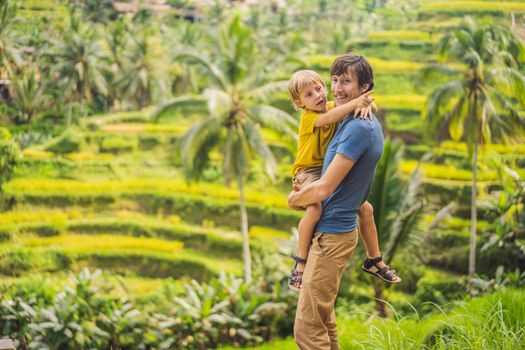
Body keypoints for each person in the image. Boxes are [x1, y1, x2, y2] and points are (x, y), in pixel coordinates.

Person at [288, 54, 399, 349]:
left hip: (332, 235)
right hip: (333, 229)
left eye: (345, 81)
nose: (334, 89)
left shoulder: (358, 127)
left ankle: (299, 264)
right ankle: (374, 259)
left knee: (307, 329)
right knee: (322, 317)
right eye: (334, 80)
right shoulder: (352, 117)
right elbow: (338, 111)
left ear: (364, 86)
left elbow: (323, 189)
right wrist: (363, 103)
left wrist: (296, 199)